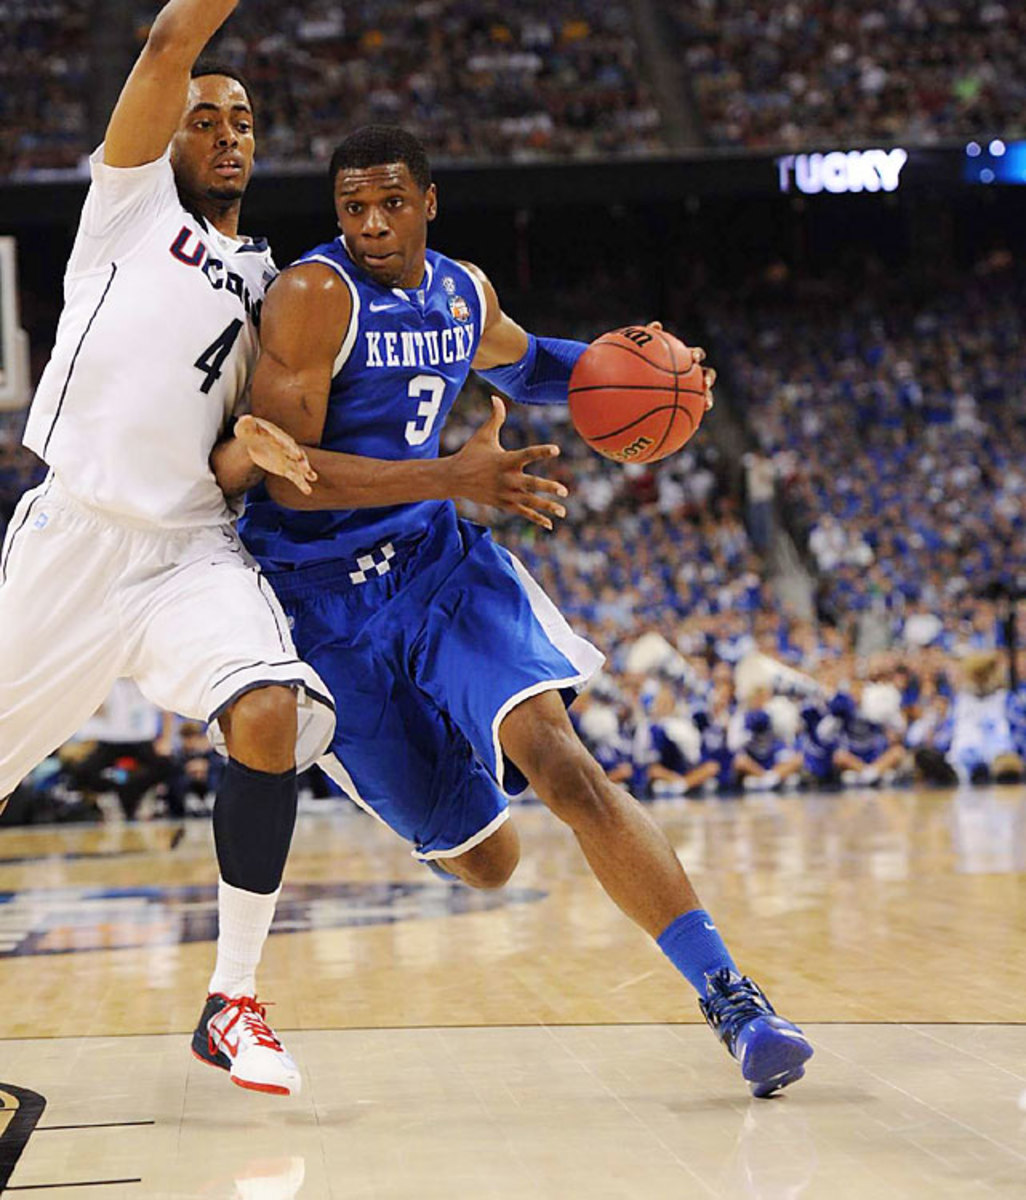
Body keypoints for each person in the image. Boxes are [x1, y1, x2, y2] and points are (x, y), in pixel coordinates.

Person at [240, 125, 814, 1098]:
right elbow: (289, 483)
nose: (372, 224)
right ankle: (447, 751)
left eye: (390, 203)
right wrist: (455, 472)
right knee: (490, 863)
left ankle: (736, 1003)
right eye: (352, 208)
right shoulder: (313, 296)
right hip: (320, 610)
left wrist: (658, 378)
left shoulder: (463, 293)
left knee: (567, 770)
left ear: (430, 201)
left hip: (435, 567)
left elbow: (534, 367)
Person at [0, 0, 342, 1097]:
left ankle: (230, 1002)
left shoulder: (277, 286)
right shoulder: (129, 201)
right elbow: (167, 43)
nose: (228, 131)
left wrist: (256, 449)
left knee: (270, 712)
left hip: (189, 546)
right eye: (207, 117)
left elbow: (233, 464)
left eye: (243, 119)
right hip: (78, 536)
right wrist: (184, 59)